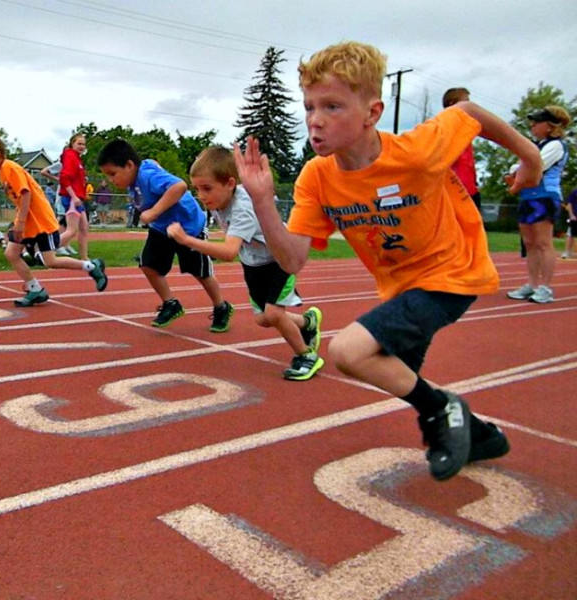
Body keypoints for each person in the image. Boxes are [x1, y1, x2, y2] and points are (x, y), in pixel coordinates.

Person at [233, 41, 543, 481]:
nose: (315, 120)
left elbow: (469, 112)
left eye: (333, 106)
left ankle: (443, 413)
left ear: (372, 113)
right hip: (400, 287)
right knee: (394, 371)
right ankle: (480, 435)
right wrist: (264, 202)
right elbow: (292, 260)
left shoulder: (418, 151)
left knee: (347, 351)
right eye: (310, 107)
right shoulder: (317, 177)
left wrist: (529, 155)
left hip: (453, 273)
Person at [168, 146, 323, 380]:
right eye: (197, 189)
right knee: (263, 319)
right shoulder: (218, 203)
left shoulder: (243, 207)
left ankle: (306, 356)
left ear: (230, 183)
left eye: (207, 188)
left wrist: (188, 240)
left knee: (273, 314)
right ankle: (306, 322)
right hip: (253, 263)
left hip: (280, 258)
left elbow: (229, 252)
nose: (201, 195)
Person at [98, 138, 233, 332]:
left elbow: (179, 186)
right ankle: (170, 303)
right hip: (162, 228)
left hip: (188, 227)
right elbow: (152, 163)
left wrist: (154, 212)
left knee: (200, 272)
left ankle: (221, 307)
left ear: (129, 165)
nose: (112, 180)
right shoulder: (136, 176)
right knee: (148, 264)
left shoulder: (147, 176)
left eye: (113, 174)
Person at [0, 133, 108, 306]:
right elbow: (19, 199)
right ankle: (35, 288)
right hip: (28, 221)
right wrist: (18, 222)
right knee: (11, 253)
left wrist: (20, 223)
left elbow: (25, 193)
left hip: (40, 222)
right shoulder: (2, 172)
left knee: (50, 261)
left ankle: (91, 266)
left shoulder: (9, 167)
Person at [506, 106, 572, 304]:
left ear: (550, 126)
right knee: (530, 243)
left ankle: (546, 288)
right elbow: (517, 167)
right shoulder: (536, 145)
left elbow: (535, 165)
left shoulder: (556, 145)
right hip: (528, 196)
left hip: (544, 196)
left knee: (543, 243)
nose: (532, 125)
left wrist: (517, 172)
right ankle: (532, 285)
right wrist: (517, 171)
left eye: (537, 122)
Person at [442, 88, 481, 210]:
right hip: (457, 191)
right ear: (452, 104)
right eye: (466, 101)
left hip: (470, 190)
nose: (469, 105)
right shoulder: (446, 128)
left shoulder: (465, 129)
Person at [57, 133, 91, 259]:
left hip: (77, 198)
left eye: (83, 144)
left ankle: (84, 258)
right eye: (79, 144)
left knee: (84, 227)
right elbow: (65, 178)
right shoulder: (70, 156)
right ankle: (44, 250)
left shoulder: (77, 158)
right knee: (71, 230)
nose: (82, 146)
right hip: (72, 198)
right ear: (72, 144)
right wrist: (74, 197)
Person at [563, 188, 577, 259]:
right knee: (571, 234)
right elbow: (570, 204)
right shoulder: (575, 191)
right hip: (575, 217)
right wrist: (571, 215)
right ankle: (567, 252)